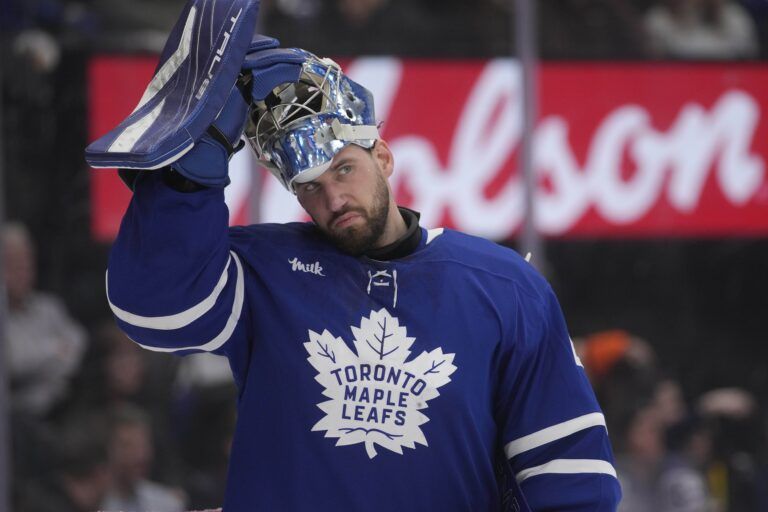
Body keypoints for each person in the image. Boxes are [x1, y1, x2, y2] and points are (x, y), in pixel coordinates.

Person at [89, 3, 621, 509]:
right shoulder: (267, 273)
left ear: (383, 157)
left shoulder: (504, 286)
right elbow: (153, 308)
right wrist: (191, 165)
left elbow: (570, 476)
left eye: (344, 169)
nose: (334, 199)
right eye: (310, 188)